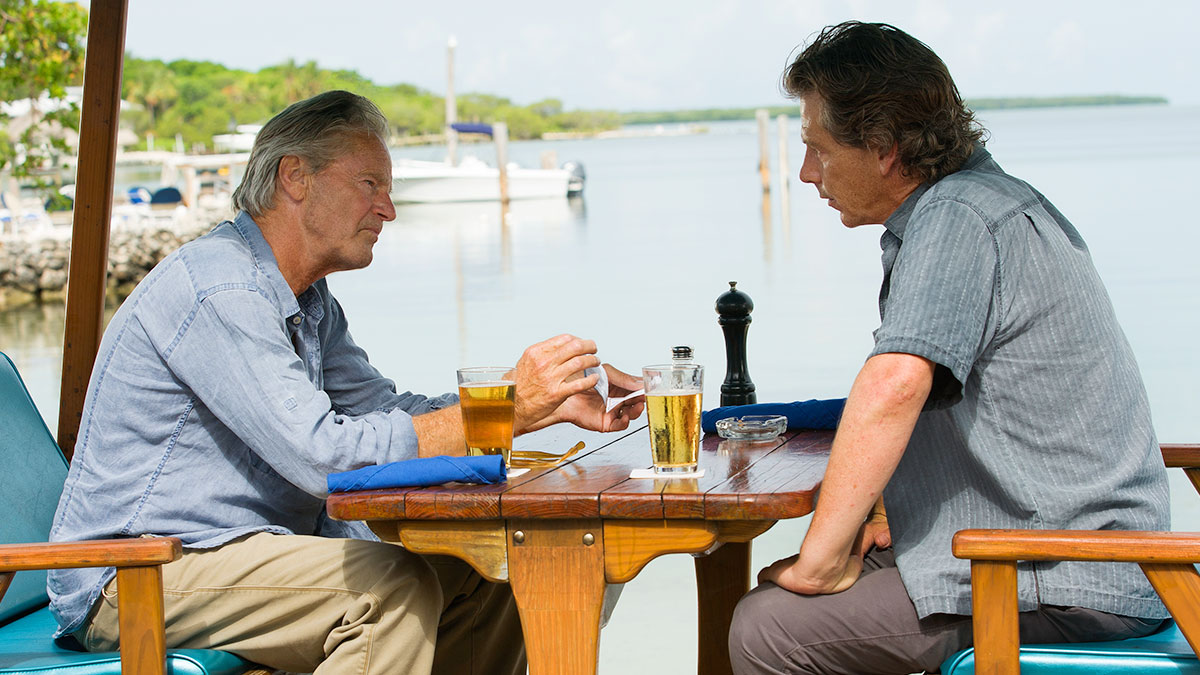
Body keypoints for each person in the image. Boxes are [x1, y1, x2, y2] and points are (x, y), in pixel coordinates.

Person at [47, 90, 645, 675]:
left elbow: (384, 411)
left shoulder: (308, 301)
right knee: (389, 592)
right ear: (296, 178)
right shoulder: (220, 289)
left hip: (234, 552)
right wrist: (510, 408)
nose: (388, 209)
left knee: (494, 575)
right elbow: (324, 457)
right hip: (135, 570)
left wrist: (537, 402)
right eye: (370, 185)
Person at [728, 21, 1170, 675]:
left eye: (818, 149)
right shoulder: (977, 203)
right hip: (1051, 554)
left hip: (1062, 574)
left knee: (770, 629)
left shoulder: (957, 217)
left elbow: (895, 384)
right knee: (776, 595)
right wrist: (883, 505)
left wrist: (821, 557)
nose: (804, 172)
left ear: (882, 147)